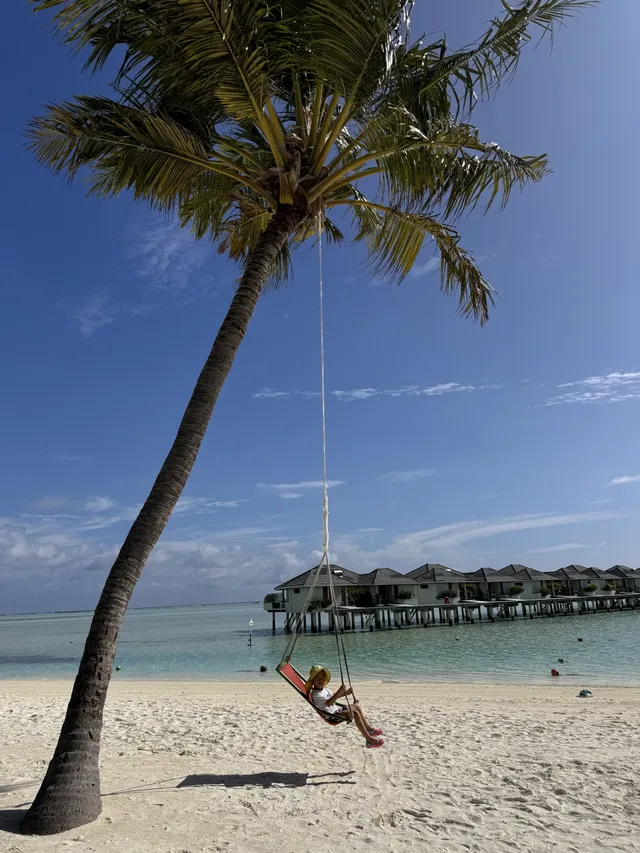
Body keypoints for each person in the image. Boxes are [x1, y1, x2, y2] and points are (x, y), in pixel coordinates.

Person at [305, 665, 384, 749]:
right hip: (331, 716)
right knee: (355, 713)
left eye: (322, 678)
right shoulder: (316, 694)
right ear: (312, 681)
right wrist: (340, 691)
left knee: (357, 706)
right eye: (317, 678)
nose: (320, 680)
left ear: (325, 680)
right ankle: (369, 740)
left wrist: (346, 693)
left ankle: (369, 729)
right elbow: (329, 703)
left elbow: (334, 696)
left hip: (337, 711)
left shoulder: (325, 690)